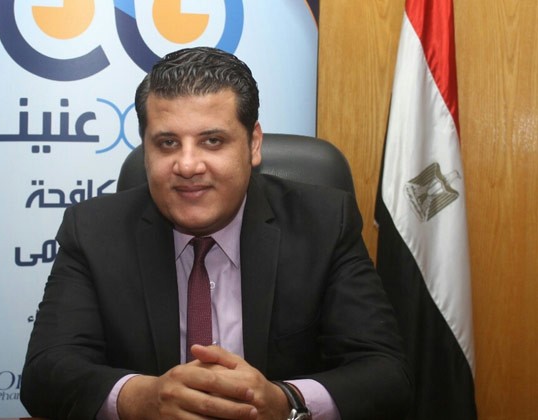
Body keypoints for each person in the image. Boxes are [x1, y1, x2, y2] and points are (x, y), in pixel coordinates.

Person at [21, 47, 412, 420]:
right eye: (167, 143)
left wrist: (285, 402)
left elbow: (386, 374)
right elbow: (46, 373)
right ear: (146, 149)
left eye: (212, 141)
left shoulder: (324, 224)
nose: (188, 165)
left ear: (253, 144)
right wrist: (141, 399)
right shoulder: (93, 231)